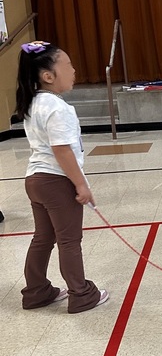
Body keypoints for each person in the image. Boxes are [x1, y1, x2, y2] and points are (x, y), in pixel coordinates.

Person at [15, 41, 108, 312]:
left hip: (35, 180)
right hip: (56, 182)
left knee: (43, 237)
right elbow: (62, 150)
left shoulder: (34, 103)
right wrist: (81, 185)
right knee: (69, 240)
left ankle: (36, 291)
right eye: (67, 65)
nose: (74, 70)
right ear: (48, 76)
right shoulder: (58, 108)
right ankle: (81, 294)